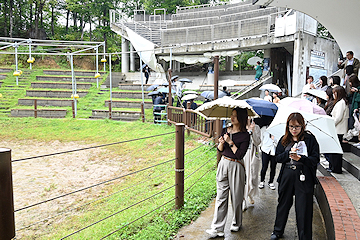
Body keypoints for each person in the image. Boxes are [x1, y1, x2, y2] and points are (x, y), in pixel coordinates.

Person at [270, 113, 320, 240]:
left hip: (303, 176)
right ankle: (277, 231)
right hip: (287, 174)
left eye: (297, 127)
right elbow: (277, 158)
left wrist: (301, 158)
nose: (294, 129)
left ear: (302, 126)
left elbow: (315, 159)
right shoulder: (284, 139)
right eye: (291, 126)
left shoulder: (310, 139)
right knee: (283, 203)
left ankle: (304, 236)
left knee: (304, 207)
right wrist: (288, 154)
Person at [206, 108, 250, 238]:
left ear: (241, 118)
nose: (232, 118)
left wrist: (230, 142)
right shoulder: (226, 130)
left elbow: (240, 154)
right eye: (232, 115)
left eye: (235, 116)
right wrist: (221, 143)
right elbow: (220, 150)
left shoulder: (245, 135)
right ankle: (217, 228)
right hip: (223, 163)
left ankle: (236, 223)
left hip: (236, 165)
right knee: (220, 197)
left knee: (236, 198)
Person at [328, 86, 348, 173]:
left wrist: (331, 124)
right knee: (335, 150)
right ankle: (333, 166)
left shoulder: (341, 103)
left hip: (338, 129)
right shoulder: (341, 102)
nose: (333, 95)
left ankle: (335, 168)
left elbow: (338, 117)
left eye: (335, 93)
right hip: (337, 129)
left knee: (335, 151)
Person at [243, 118, 261, 209]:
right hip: (243, 154)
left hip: (253, 154)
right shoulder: (241, 127)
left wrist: (253, 130)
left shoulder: (256, 127)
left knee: (252, 177)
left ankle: (250, 194)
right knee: (244, 177)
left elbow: (257, 142)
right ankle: (244, 199)